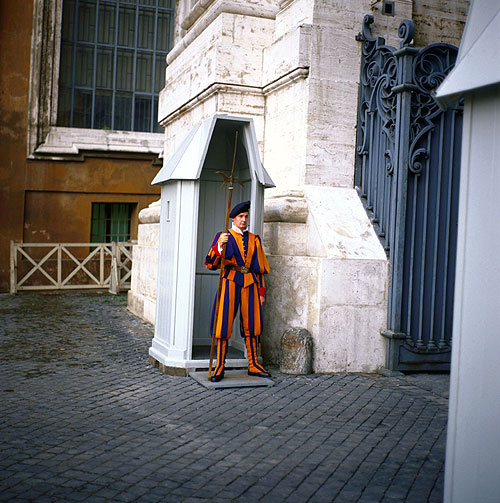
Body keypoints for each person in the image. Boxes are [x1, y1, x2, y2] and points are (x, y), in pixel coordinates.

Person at [204, 200, 271, 382]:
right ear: (233, 218)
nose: (243, 220)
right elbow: (211, 264)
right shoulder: (223, 236)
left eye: (246, 217)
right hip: (229, 281)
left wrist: (261, 292)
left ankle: (253, 365)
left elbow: (259, 268)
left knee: (253, 324)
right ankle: (219, 366)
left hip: (250, 283)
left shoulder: (254, 239)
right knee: (223, 323)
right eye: (240, 216)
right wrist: (219, 246)